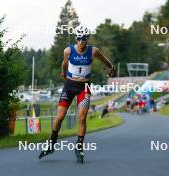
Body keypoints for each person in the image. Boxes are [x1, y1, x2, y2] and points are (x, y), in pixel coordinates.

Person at [39, 26, 116, 163]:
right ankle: (52, 143)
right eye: (79, 38)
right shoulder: (68, 50)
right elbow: (64, 63)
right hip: (69, 86)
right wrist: (63, 72)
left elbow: (105, 61)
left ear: (88, 39)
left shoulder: (93, 51)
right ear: (76, 38)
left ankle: (79, 147)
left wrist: (111, 68)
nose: (82, 41)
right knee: (60, 117)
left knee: (82, 117)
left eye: (84, 38)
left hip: (84, 87)